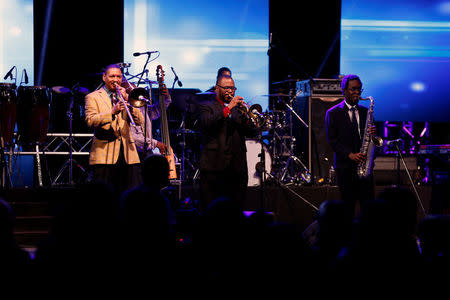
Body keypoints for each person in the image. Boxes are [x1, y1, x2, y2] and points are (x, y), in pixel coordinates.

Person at [197, 74, 258, 212]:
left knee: (236, 208)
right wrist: (228, 108)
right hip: (214, 167)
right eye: (226, 88)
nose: (230, 91)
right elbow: (207, 123)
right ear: (217, 88)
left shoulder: (239, 108)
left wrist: (248, 117)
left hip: (237, 167)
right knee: (212, 210)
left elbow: (252, 132)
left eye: (232, 88)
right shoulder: (205, 105)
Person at [85, 64, 145, 194]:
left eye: (118, 76)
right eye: (112, 76)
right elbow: (90, 120)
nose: (116, 80)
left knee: (130, 195)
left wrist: (128, 100)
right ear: (104, 77)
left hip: (128, 155)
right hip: (104, 154)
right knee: (105, 197)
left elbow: (140, 121)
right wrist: (112, 112)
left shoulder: (126, 97)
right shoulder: (93, 97)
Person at [325, 74, 376, 220]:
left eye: (359, 89)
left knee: (369, 211)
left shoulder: (366, 112)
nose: (357, 93)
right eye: (353, 89)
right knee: (347, 210)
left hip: (365, 168)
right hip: (345, 169)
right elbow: (332, 141)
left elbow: (371, 139)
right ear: (344, 90)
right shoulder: (332, 113)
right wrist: (350, 155)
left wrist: (373, 134)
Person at [130, 85, 172, 160]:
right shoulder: (126, 110)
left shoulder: (141, 107)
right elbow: (133, 137)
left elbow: (156, 111)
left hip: (145, 151)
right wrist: (155, 143)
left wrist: (166, 98)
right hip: (133, 153)